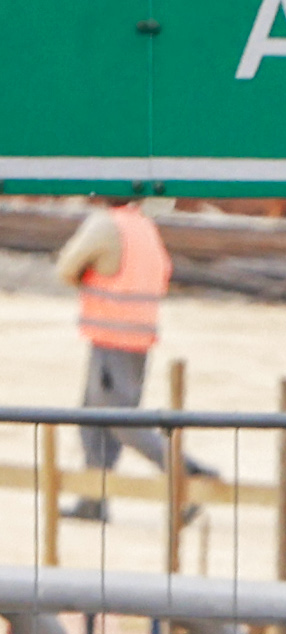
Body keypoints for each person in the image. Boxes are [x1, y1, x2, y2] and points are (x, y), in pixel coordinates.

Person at [55, 199, 177, 500]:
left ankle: (190, 478)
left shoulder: (106, 224)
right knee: (94, 422)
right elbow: (164, 271)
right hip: (138, 336)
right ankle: (93, 498)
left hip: (112, 334)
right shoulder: (143, 225)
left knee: (122, 423)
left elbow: (67, 265)